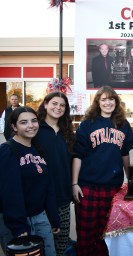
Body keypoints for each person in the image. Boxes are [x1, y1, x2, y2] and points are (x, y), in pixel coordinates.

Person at [72, 86, 133, 256]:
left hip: (112, 187)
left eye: (111, 99)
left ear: (116, 102)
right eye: (103, 99)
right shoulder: (87, 124)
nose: (108, 102)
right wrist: (74, 183)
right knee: (86, 234)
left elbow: (125, 154)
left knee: (107, 233)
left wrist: (131, 179)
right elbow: (78, 155)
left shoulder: (124, 125)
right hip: (88, 187)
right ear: (98, 103)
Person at [0, 106, 60, 256]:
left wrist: (53, 218)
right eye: (24, 122)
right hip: (16, 221)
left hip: (40, 217)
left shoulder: (37, 149)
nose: (31, 125)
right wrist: (19, 227)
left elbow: (47, 186)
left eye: (34, 121)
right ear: (14, 126)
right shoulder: (8, 151)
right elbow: (10, 192)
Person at [36, 92, 75, 256]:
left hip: (62, 196)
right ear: (45, 104)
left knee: (61, 243)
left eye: (62, 105)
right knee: (42, 244)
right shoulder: (35, 129)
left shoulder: (68, 132)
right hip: (39, 199)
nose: (58, 107)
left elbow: (73, 161)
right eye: (54, 103)